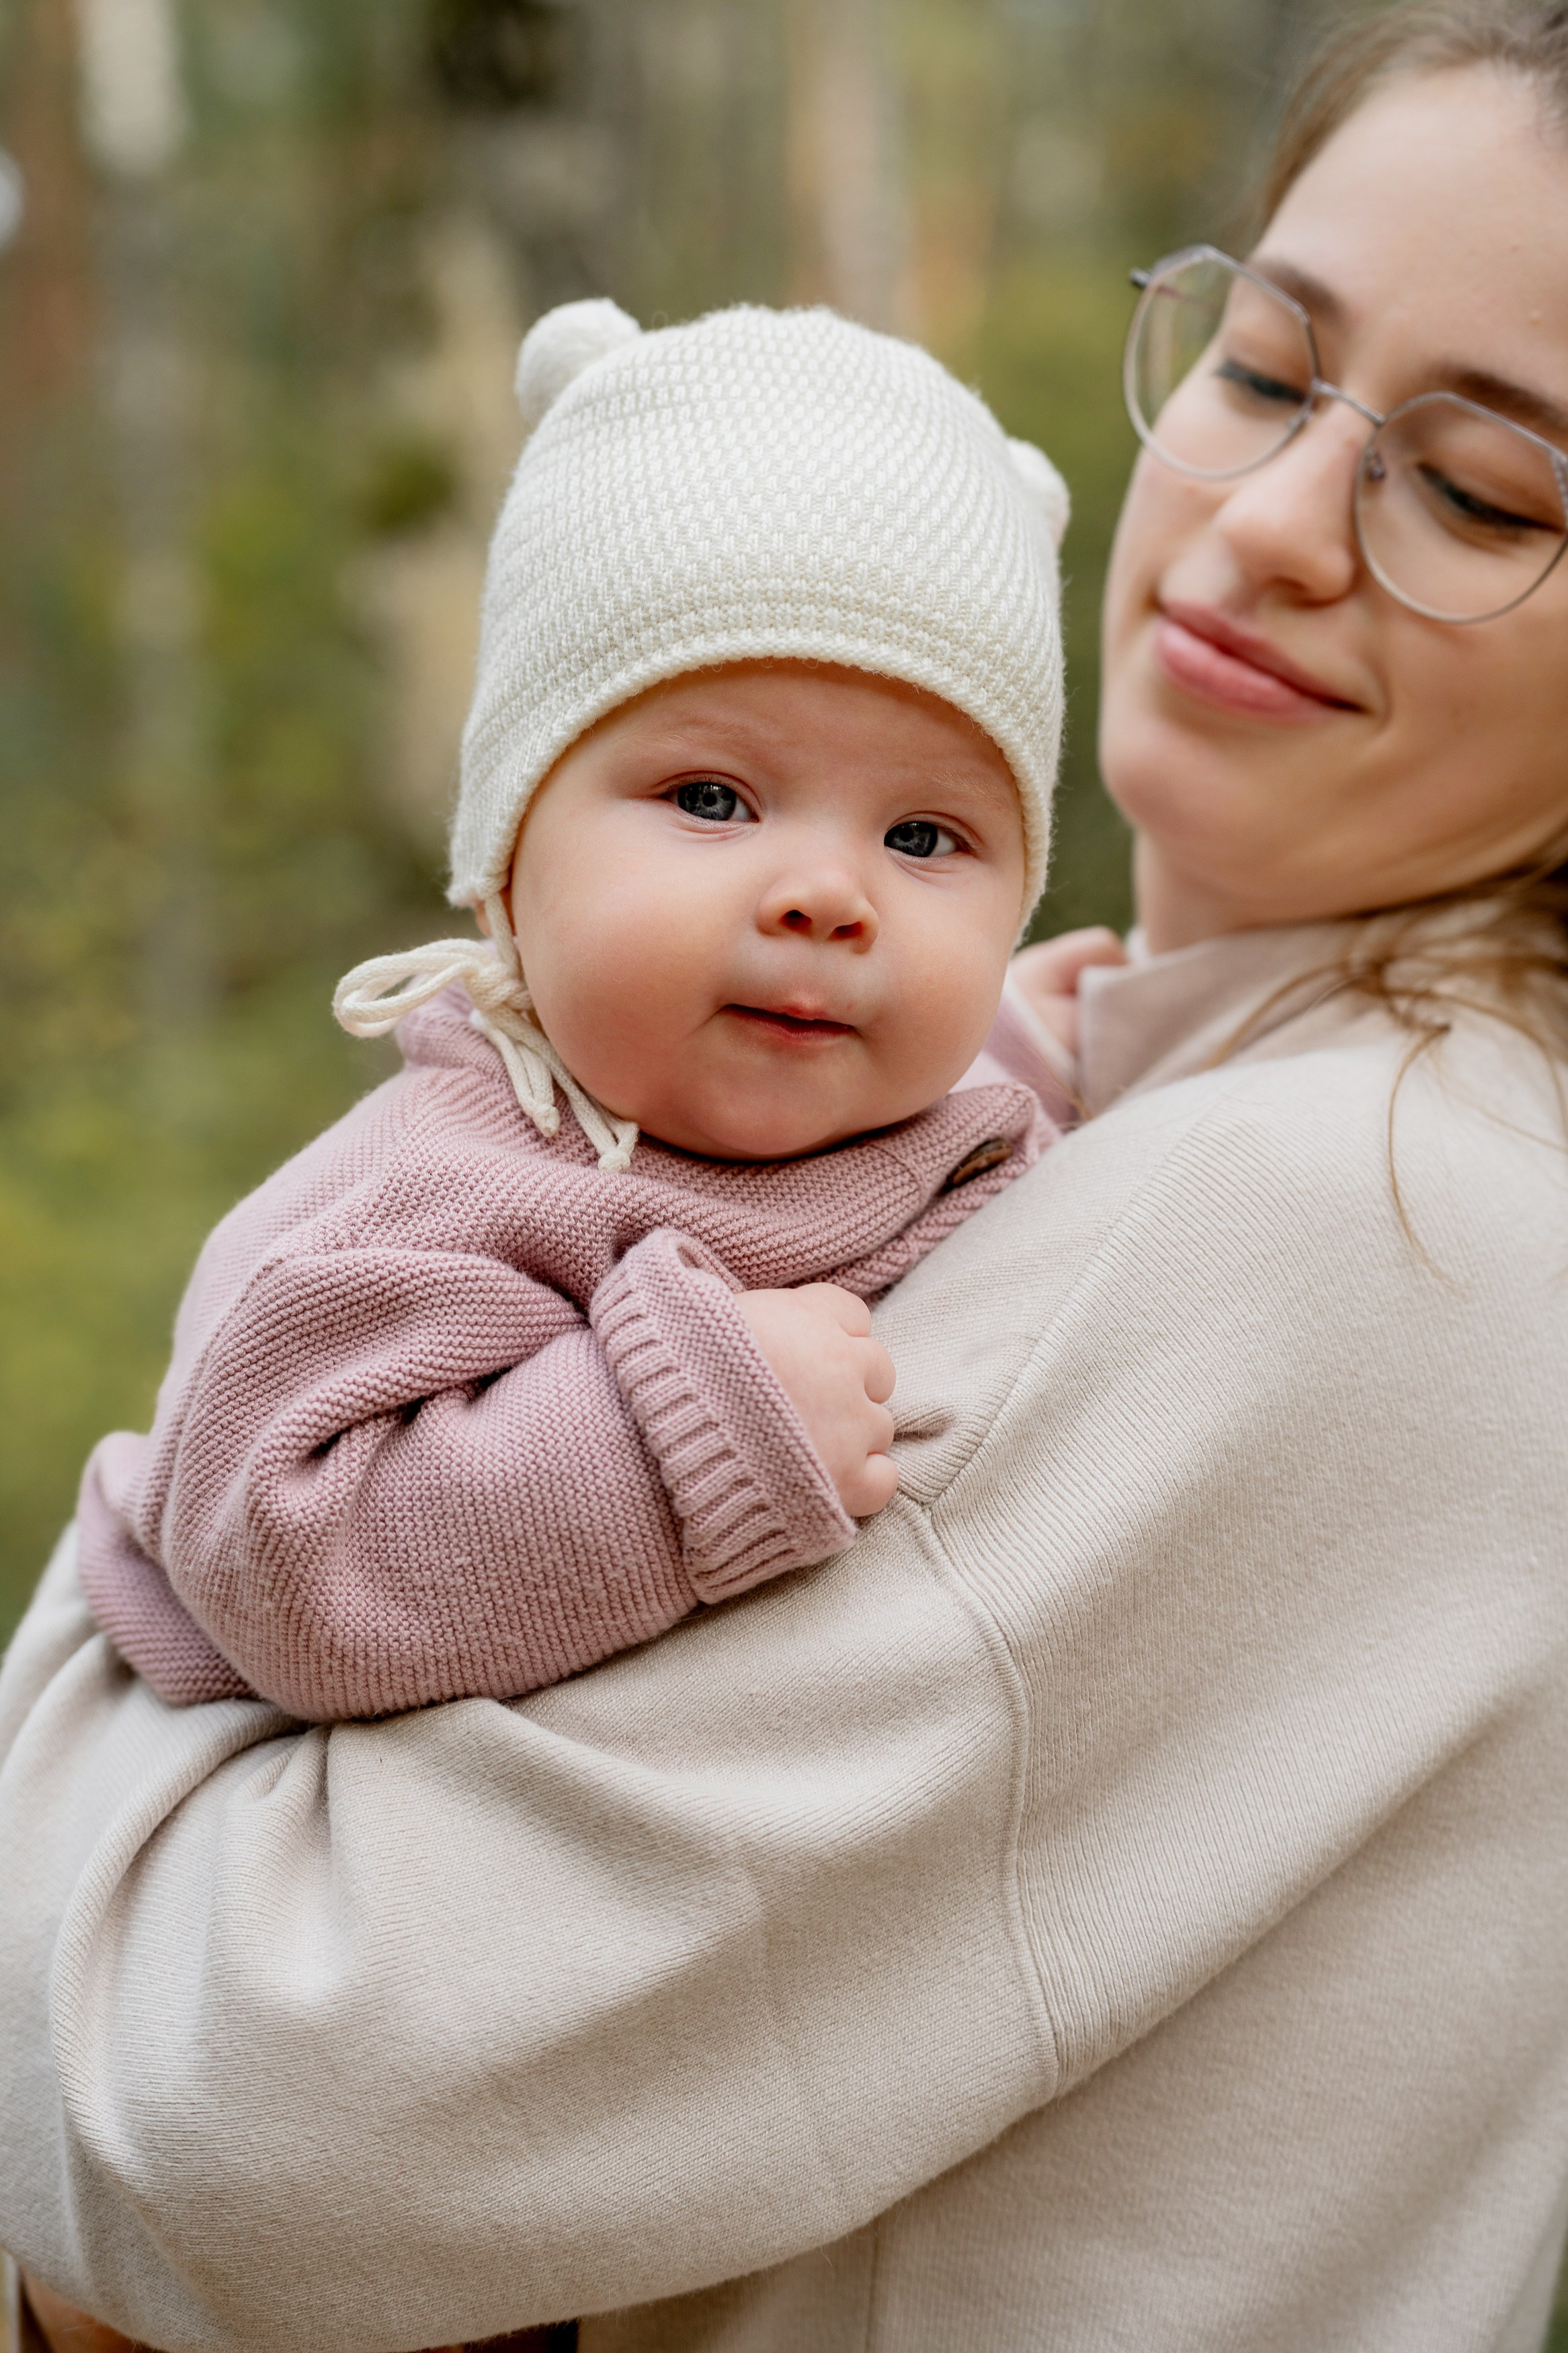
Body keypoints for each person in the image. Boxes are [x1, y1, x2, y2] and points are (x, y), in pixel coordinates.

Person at [5, 1, 1568, 2346]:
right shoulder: (1117, 1115)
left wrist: (86, 1660)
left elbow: (217, 2120)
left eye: (1483, 492)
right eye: (1259, 368)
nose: (1261, 528)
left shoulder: (1356, 1222)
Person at [70, 300, 1071, 1724]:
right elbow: (280, 1565)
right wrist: (684, 1436)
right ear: (503, 869)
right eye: (713, 800)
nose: (831, 896)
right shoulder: (440, 1195)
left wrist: (1057, 1043)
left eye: (925, 840)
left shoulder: (946, 1114)